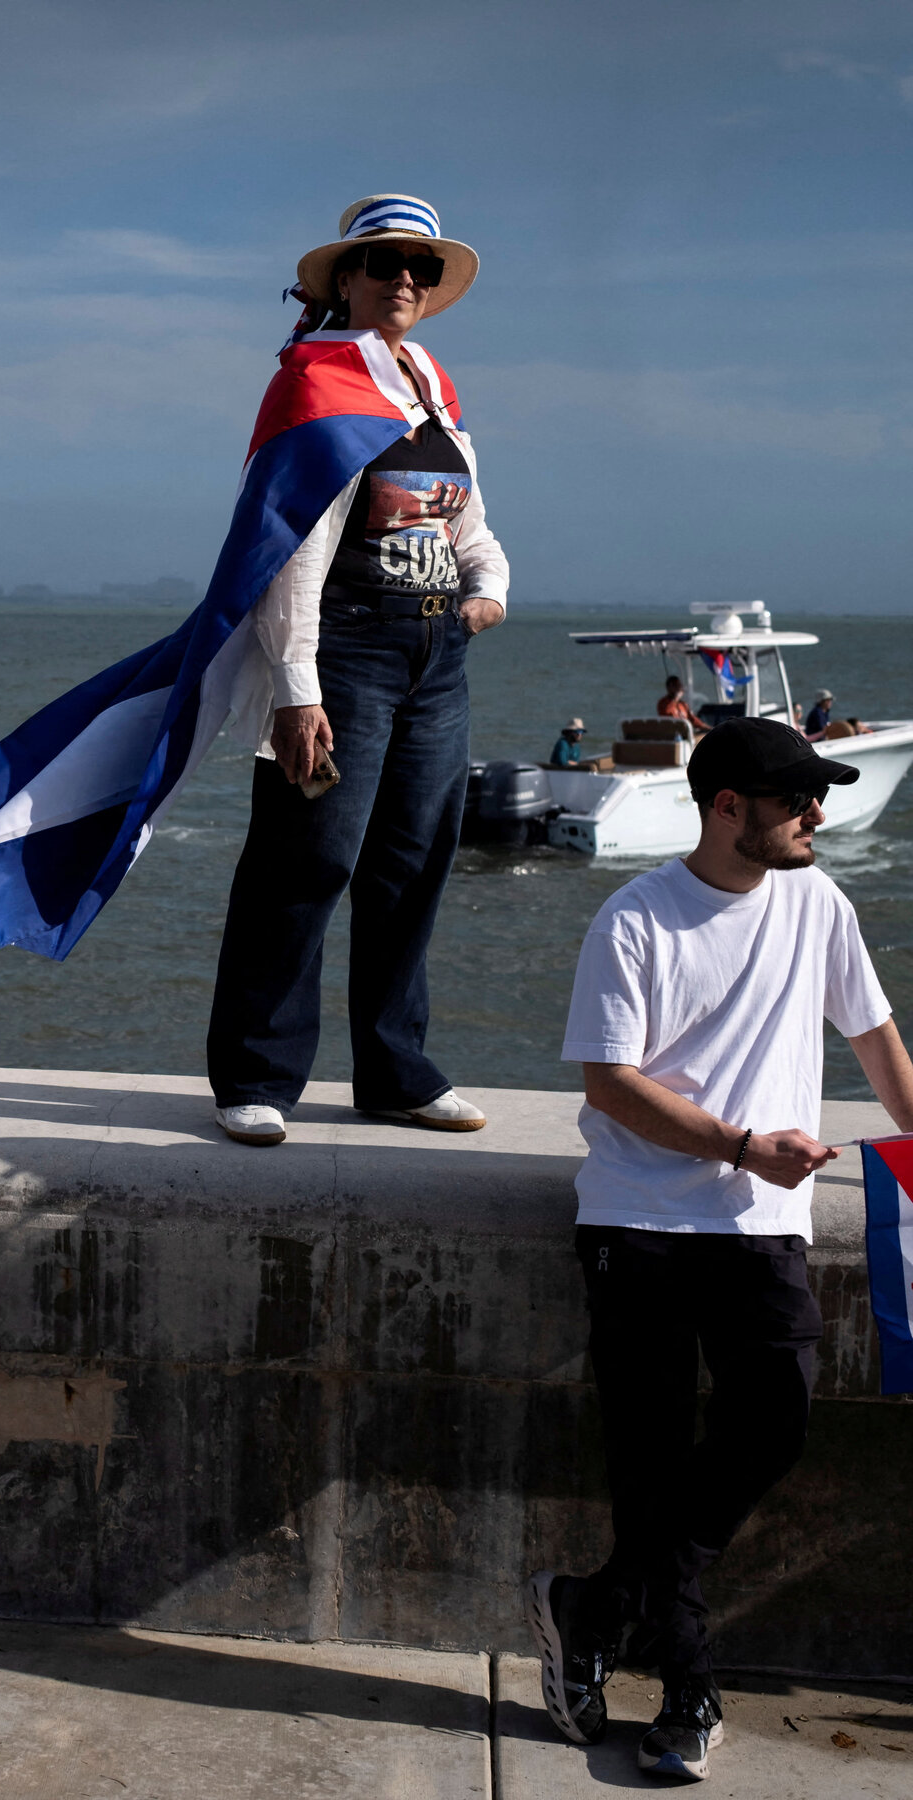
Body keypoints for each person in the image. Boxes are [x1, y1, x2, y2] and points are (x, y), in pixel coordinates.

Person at [526, 716, 913, 1783]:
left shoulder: (818, 901)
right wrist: (745, 1146)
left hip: (757, 1229)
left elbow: (876, 1039)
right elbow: (610, 1084)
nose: (816, 815)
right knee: (649, 1468)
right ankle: (690, 1690)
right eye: (797, 801)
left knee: (776, 1423)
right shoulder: (634, 918)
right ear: (727, 807)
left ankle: (595, 1606)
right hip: (638, 1224)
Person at [207, 194, 508, 1147]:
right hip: (345, 653)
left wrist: (489, 588)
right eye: (384, 262)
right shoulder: (314, 382)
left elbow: (467, 519)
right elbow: (288, 549)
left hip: (437, 657)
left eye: (422, 267)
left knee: (412, 866)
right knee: (305, 861)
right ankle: (257, 1075)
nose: (404, 280)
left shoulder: (431, 382)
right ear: (345, 278)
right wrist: (296, 688)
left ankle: (393, 1072)